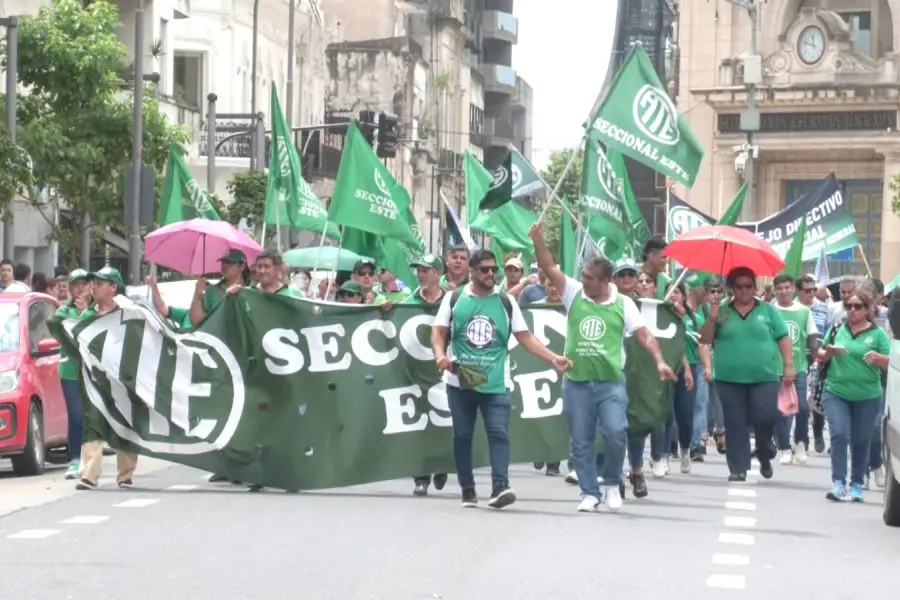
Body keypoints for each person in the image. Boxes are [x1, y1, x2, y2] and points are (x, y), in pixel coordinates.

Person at [530, 223, 676, 512]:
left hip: (610, 383)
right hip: (576, 382)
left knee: (616, 431)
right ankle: (589, 492)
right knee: (581, 441)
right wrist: (539, 241)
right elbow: (547, 265)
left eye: (590, 278)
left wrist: (659, 360)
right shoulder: (573, 293)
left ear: (606, 280)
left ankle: (611, 482)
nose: (583, 281)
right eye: (583, 276)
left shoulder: (623, 304)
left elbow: (644, 334)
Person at [431, 248, 571, 510]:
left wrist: (553, 358)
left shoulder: (506, 301)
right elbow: (438, 332)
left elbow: (525, 336)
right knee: (462, 435)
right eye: (484, 269)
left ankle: (500, 486)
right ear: (471, 272)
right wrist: (440, 355)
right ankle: (467, 488)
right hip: (461, 381)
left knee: (498, 433)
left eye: (492, 269)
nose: (490, 274)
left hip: (496, 381)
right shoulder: (454, 299)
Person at [699, 266, 794, 482]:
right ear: (731, 288)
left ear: (754, 287)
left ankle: (764, 449)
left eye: (748, 286)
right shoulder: (721, 311)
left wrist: (788, 366)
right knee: (735, 422)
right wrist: (712, 318)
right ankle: (738, 467)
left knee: (764, 417)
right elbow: (705, 340)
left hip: (765, 376)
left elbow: (783, 338)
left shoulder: (768, 310)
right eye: (739, 287)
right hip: (729, 377)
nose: (744, 291)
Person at [383, 254, 451, 495]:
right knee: (419, 423)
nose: (420, 274)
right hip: (415, 372)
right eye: (418, 270)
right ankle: (420, 477)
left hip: (445, 372)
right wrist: (385, 310)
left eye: (425, 270)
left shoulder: (452, 301)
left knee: (445, 423)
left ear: (437, 273)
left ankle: (442, 464)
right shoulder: (407, 300)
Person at [818, 289, 890, 502]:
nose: (852, 310)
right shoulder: (838, 328)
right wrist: (828, 353)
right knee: (839, 434)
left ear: (868, 309)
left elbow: (890, 362)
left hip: (867, 395)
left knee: (861, 439)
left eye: (857, 306)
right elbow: (821, 352)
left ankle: (857, 483)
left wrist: (878, 358)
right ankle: (838, 482)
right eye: (848, 306)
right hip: (836, 391)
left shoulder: (877, 335)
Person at [76, 267, 140, 491]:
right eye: (93, 283)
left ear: (113, 287)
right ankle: (89, 475)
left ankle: (125, 475)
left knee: (124, 423)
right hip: (95, 379)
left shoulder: (128, 313)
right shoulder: (88, 315)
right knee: (93, 423)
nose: (94, 287)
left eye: (100, 283)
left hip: (123, 380)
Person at [771, 274, 819, 465]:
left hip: (799, 366)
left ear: (793, 289)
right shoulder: (770, 310)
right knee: (781, 410)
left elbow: (812, 337)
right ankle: (784, 447)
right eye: (779, 288)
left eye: (786, 287)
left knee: (802, 407)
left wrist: (817, 359)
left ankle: (800, 441)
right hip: (774, 367)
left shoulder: (804, 311)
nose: (783, 291)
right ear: (775, 290)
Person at [54, 269, 92, 480]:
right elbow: (64, 331)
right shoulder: (63, 312)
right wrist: (81, 313)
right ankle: (75, 458)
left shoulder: (98, 309)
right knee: (76, 415)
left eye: (84, 284)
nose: (80, 288)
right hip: (70, 371)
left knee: (93, 416)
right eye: (76, 284)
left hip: (94, 372)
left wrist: (87, 311)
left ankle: (91, 457)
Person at [667, 281, 703, 473]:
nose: (673, 295)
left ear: (683, 295)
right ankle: (662, 454)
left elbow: (703, 343)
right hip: (666, 368)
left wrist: (707, 367)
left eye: (677, 292)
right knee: (665, 414)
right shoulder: (661, 316)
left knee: (685, 414)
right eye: (669, 292)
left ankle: (686, 449)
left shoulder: (693, 318)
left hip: (690, 368)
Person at [189, 249, 249, 327]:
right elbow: (196, 321)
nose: (224, 266)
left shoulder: (251, 290)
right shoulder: (212, 291)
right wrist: (197, 294)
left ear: (242, 266)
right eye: (223, 262)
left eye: (229, 262)